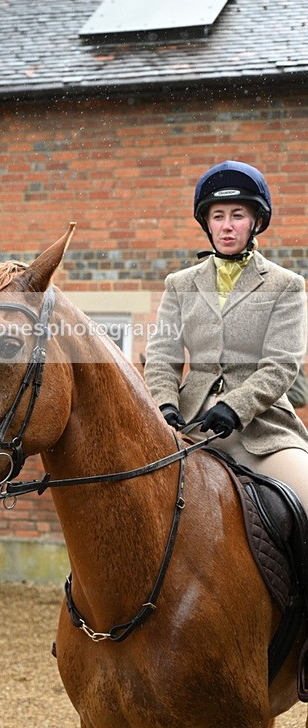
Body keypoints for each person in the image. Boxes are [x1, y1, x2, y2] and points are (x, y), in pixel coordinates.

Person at [144, 159, 308, 516]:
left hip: (262, 431)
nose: (227, 226)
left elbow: (282, 364)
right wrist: (165, 405)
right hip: (188, 429)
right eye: (218, 216)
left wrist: (236, 406)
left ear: (256, 222)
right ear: (207, 223)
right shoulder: (180, 284)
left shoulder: (286, 285)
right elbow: (161, 356)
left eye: (238, 215)